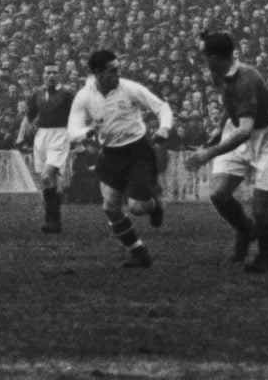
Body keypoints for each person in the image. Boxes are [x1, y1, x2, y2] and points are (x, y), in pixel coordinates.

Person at [185, 31, 268, 273]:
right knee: (219, 195)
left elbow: (245, 131)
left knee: (261, 209)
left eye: (205, 56)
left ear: (216, 58)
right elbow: (232, 103)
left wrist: (207, 154)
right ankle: (245, 230)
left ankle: (266, 255)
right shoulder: (223, 72)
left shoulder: (246, 79)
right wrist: (220, 127)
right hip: (237, 128)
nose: (203, 61)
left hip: (266, 137)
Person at [67, 50, 172, 268]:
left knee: (137, 208)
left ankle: (153, 204)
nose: (118, 73)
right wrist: (87, 132)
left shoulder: (129, 88)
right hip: (110, 154)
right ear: (98, 73)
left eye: (118, 68)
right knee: (110, 208)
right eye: (112, 70)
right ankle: (138, 252)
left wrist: (164, 128)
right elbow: (72, 131)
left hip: (137, 152)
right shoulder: (85, 96)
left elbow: (161, 106)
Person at [15, 62, 75, 233]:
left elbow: (77, 115)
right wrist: (20, 137)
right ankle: (55, 221)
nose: (51, 75)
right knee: (48, 180)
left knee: (47, 176)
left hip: (60, 136)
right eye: (48, 72)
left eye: (54, 72)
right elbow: (29, 117)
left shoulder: (66, 94)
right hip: (41, 137)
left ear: (59, 75)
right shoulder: (37, 94)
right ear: (43, 74)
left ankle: (51, 219)